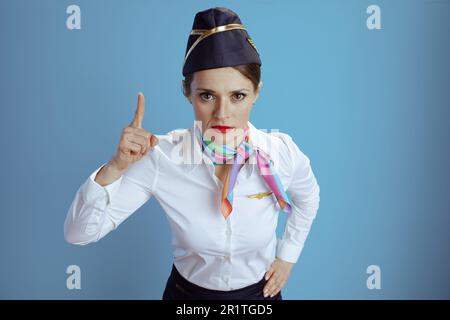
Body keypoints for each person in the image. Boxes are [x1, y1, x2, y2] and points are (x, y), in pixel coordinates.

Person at [64, 7, 320, 300]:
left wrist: (287, 257)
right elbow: (79, 234)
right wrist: (115, 167)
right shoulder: (160, 158)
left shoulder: (282, 152)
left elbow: (308, 198)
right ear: (188, 92)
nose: (222, 114)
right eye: (207, 96)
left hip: (260, 298)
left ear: (256, 92)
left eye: (238, 96)